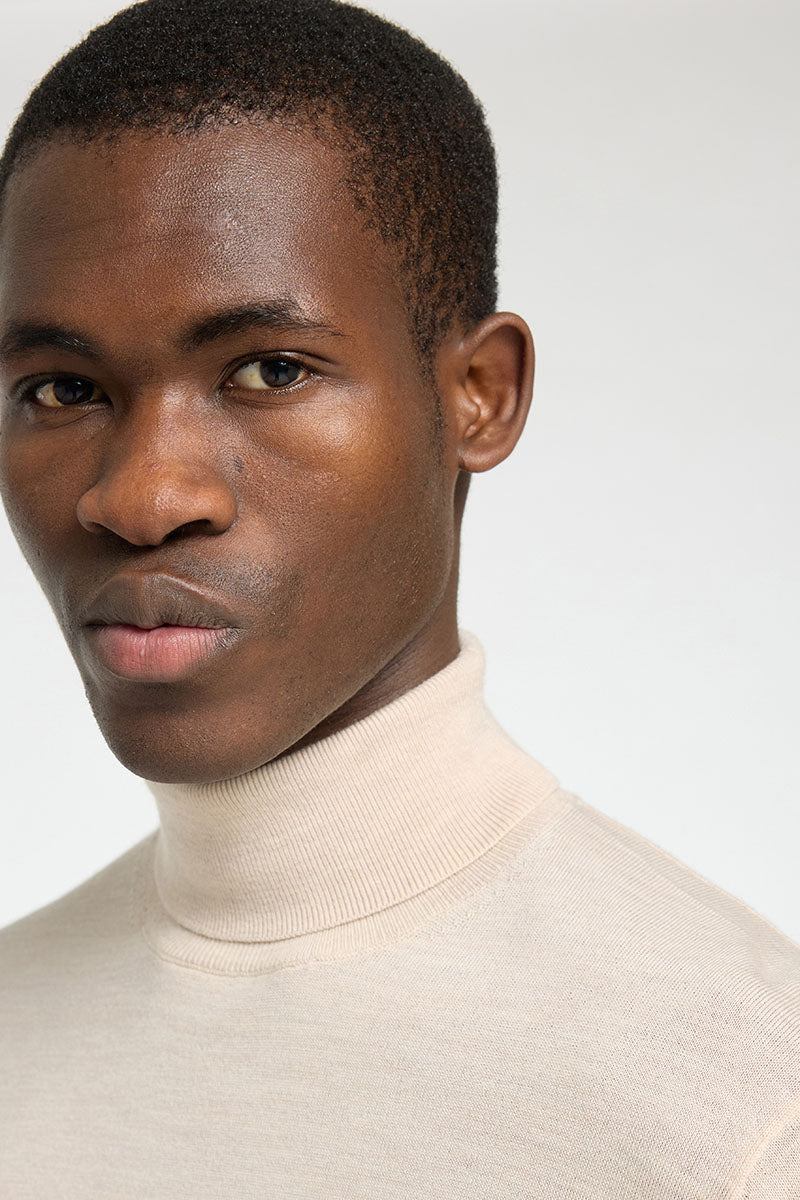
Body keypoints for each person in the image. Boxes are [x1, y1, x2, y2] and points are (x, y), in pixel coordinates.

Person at [0, 0, 798, 1194]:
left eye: (269, 370)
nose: (141, 497)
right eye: (63, 390)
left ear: (479, 394)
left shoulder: (736, 1112)